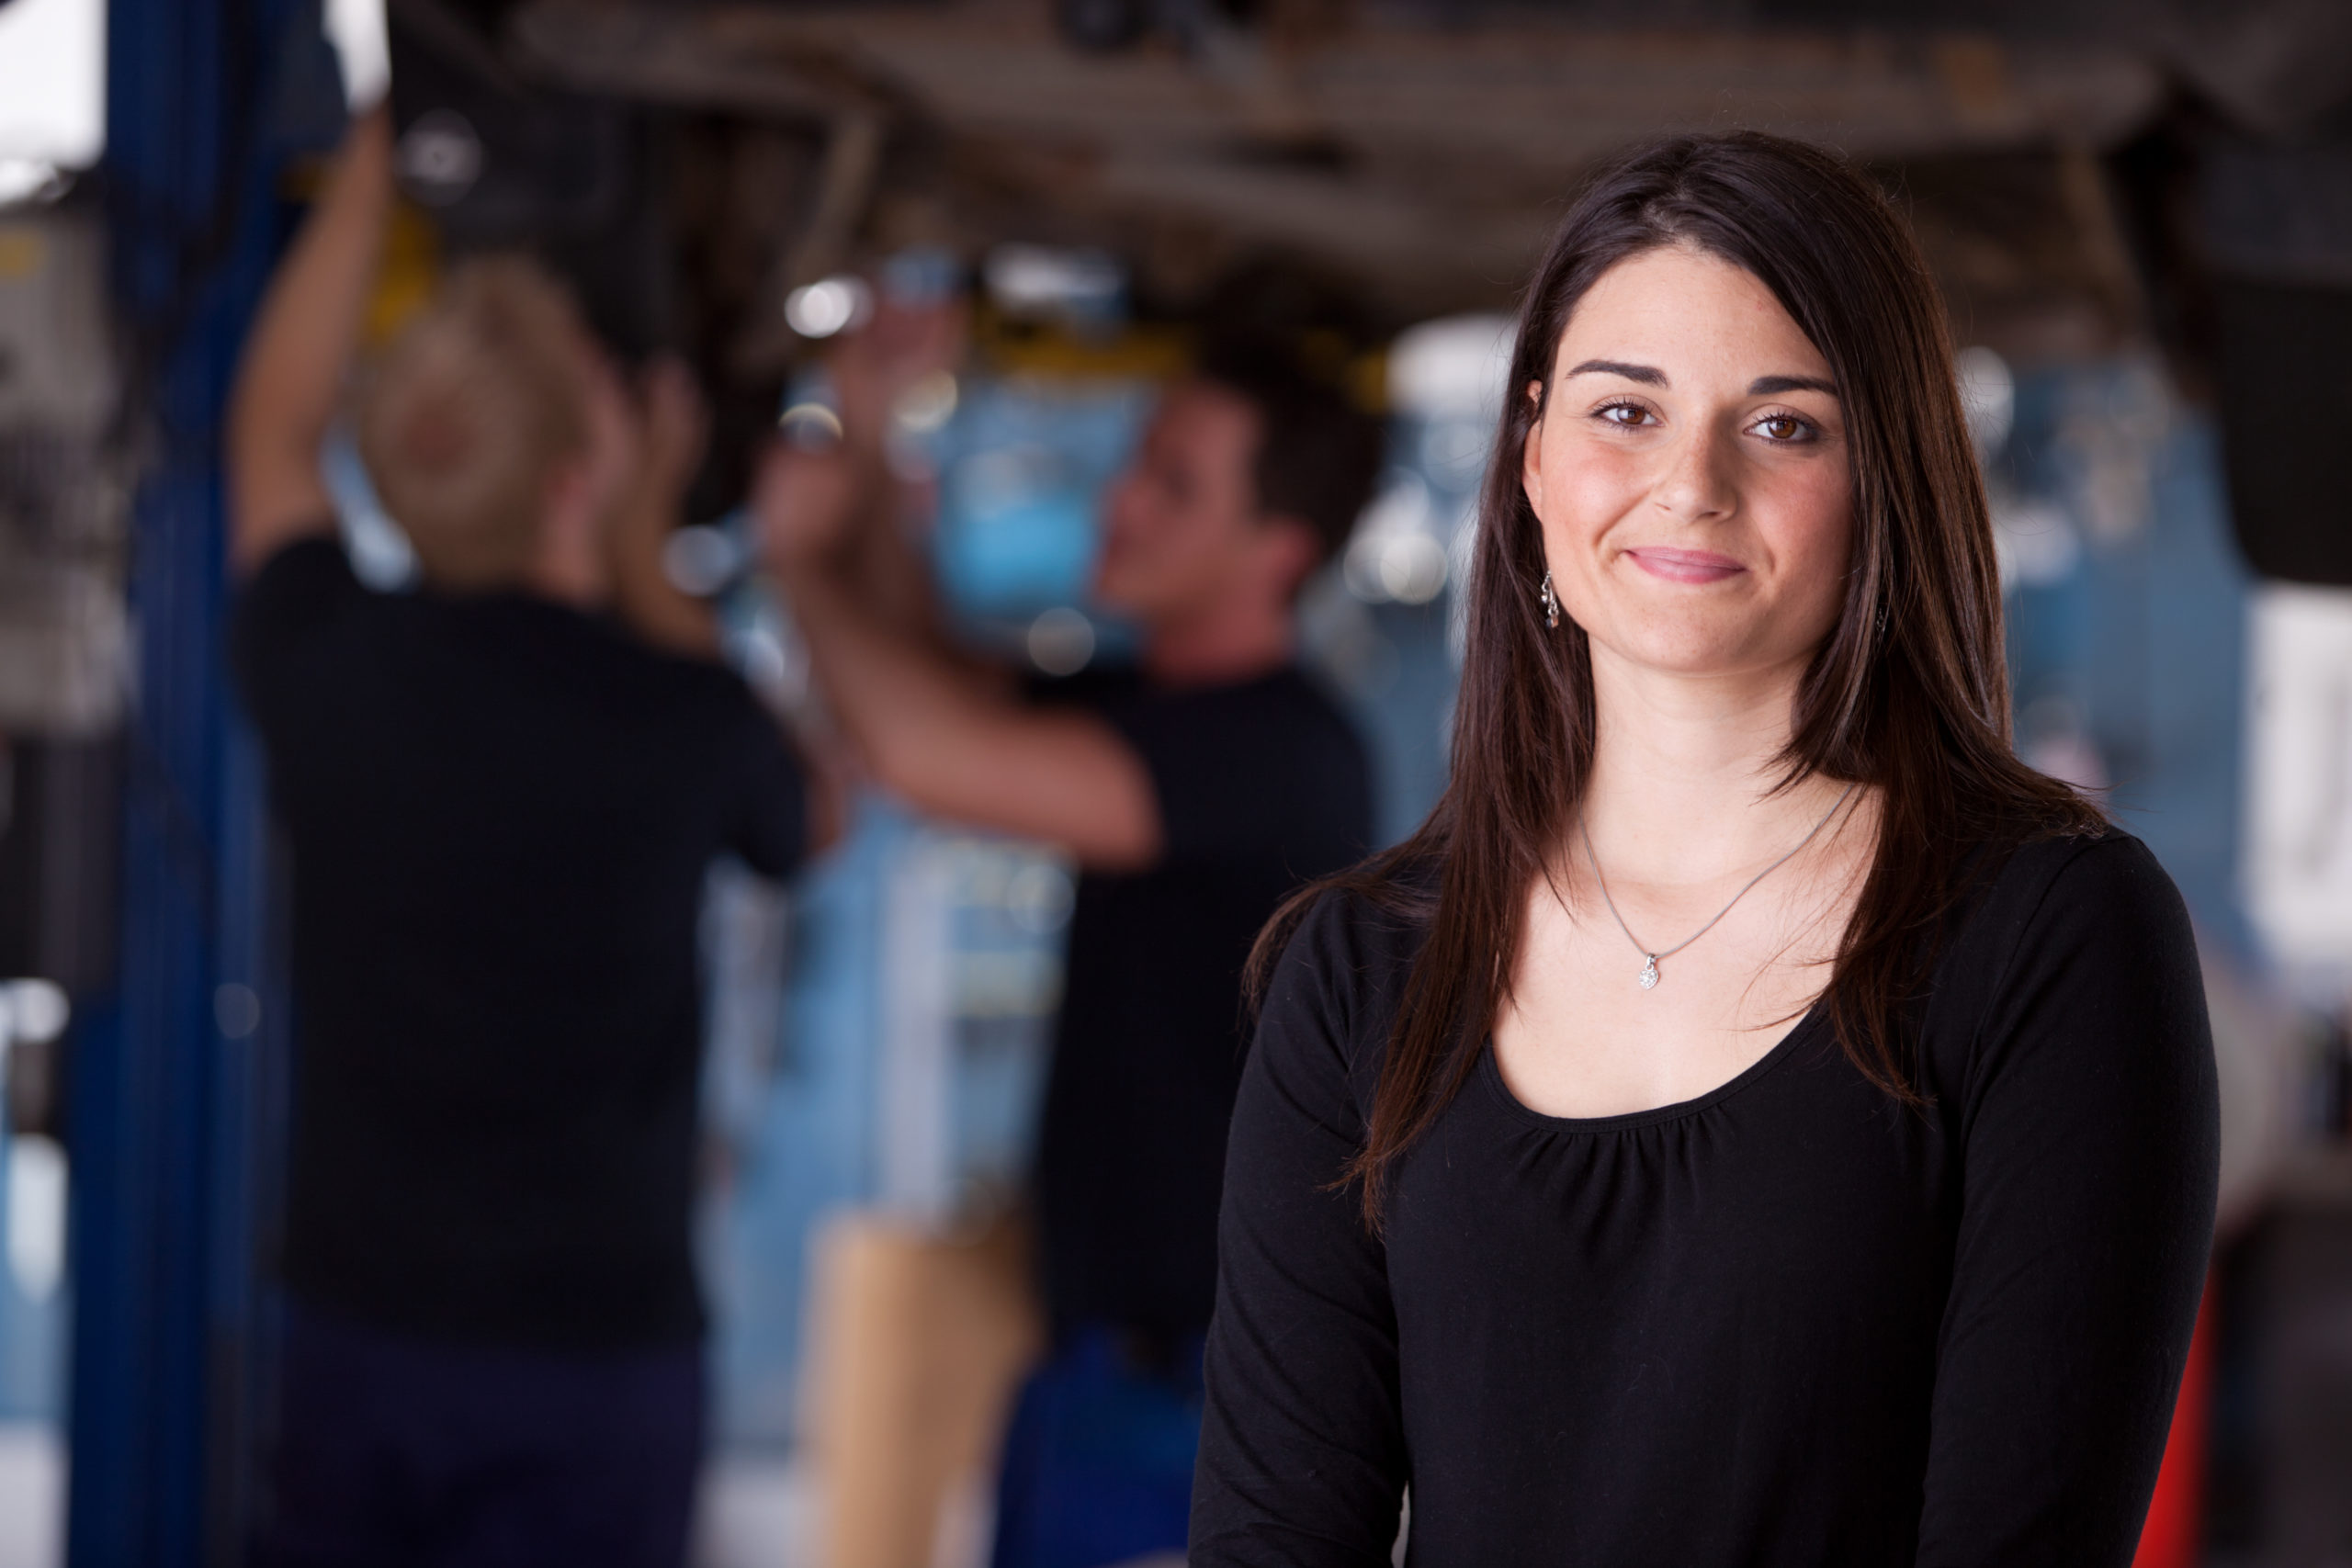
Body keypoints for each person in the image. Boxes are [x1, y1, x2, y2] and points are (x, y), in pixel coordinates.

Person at [1190, 132, 2220, 1567]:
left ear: (1886, 480)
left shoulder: (2050, 937)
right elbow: (1278, 1537)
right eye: (1625, 412)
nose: (1691, 483)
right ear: (1533, 453)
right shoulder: (1360, 973)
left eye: (1784, 425)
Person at [226, 108, 821, 1566]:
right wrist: (642, 547)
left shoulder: (328, 671)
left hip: (358, 1329)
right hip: (589, 1362)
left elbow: (268, 428)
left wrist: (372, 164)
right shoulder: (674, 717)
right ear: (576, 474)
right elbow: (807, 820)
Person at [757, 318, 1381, 1568]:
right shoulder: (1152, 699)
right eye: (1140, 462)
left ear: (1278, 551)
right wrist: (872, 438)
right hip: (1103, 1364)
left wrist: (795, 566)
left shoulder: (1278, 750)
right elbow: (930, 673)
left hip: (1196, 1402)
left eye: (1176, 484)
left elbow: (923, 752)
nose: (1124, 501)